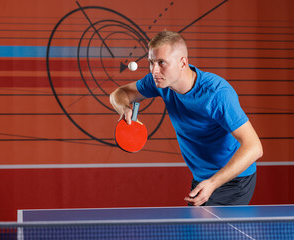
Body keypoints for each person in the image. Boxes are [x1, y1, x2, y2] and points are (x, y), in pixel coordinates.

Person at [109, 30, 263, 206]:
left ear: (183, 62)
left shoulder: (216, 94)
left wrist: (213, 183)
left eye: (161, 62)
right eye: (151, 62)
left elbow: (254, 147)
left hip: (233, 179)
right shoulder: (159, 82)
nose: (154, 70)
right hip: (203, 178)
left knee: (210, 232)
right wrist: (123, 107)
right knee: (195, 230)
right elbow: (119, 94)